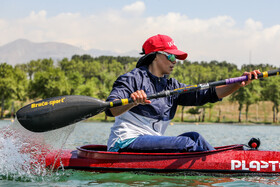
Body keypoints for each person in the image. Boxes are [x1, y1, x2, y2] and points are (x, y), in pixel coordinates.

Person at [105, 34, 260, 153]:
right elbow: (111, 109)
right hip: (124, 143)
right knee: (185, 143)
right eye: (171, 56)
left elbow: (210, 94)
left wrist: (239, 84)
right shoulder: (131, 79)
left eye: (176, 57)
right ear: (155, 56)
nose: (175, 61)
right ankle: (220, 169)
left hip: (150, 143)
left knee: (194, 137)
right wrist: (132, 101)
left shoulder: (172, 86)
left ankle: (225, 163)